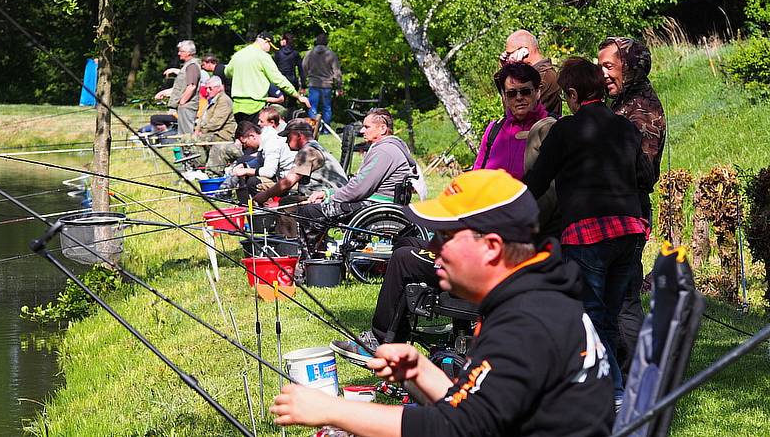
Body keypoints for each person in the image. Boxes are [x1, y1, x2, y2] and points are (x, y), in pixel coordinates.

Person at [271, 169, 615, 437]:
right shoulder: (536, 297)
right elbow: (482, 410)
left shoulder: (526, 321)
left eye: (445, 236)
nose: (432, 248)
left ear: (491, 247)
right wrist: (420, 371)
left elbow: (458, 428)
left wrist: (332, 410)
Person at [524, 57, 651, 410]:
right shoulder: (627, 128)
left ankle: (614, 396)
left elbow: (536, 182)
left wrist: (503, 208)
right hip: (628, 229)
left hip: (587, 233)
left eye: (567, 96)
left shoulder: (564, 130)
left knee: (590, 319)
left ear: (574, 93)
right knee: (609, 317)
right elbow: (646, 177)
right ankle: (616, 390)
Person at [598, 37, 667, 377]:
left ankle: (642, 379)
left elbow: (642, 170)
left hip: (628, 213)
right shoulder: (623, 103)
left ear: (631, 66)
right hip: (617, 211)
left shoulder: (640, 110)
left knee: (624, 298)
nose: (603, 74)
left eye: (609, 66)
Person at [296, 108, 417, 252]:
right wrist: (327, 193)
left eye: (367, 127)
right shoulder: (391, 148)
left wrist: (330, 197)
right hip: (379, 204)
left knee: (309, 212)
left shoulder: (384, 151)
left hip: (375, 207)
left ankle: (309, 260)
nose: (362, 131)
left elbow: (358, 189)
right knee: (314, 209)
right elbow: (358, 185)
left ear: (383, 128)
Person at [472, 62, 549, 180]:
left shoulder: (552, 128)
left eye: (525, 91)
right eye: (511, 94)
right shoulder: (494, 129)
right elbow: (477, 174)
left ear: (538, 92)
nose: (519, 98)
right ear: (504, 96)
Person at [224, 31, 311, 123]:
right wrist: (297, 96)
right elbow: (278, 79)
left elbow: (227, 73)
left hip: (238, 106)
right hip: (255, 105)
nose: (270, 50)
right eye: (270, 47)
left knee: (242, 136)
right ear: (266, 42)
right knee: (255, 136)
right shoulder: (263, 56)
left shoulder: (238, 55)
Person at [221, 121, 295, 203]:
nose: (245, 147)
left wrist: (246, 171)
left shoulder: (271, 143)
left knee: (253, 182)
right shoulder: (264, 140)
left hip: (290, 180)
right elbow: (260, 161)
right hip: (282, 177)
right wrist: (245, 165)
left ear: (252, 136)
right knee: (246, 172)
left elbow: (269, 172)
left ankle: (266, 211)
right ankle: (246, 206)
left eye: (245, 143)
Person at [188, 76, 241, 176]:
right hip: (211, 133)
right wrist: (196, 130)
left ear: (219, 88)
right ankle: (195, 166)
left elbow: (216, 123)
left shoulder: (224, 100)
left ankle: (201, 168)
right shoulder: (212, 100)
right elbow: (202, 119)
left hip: (223, 136)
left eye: (210, 88)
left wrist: (201, 131)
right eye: (206, 88)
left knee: (195, 140)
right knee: (187, 138)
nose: (207, 91)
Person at [499, 30, 562, 116]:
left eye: (509, 54)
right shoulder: (540, 73)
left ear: (524, 51)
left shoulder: (544, 77)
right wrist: (506, 71)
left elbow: (515, 114)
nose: (508, 58)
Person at [154, 40, 201, 135]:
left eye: (181, 51)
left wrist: (182, 102)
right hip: (185, 106)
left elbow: (192, 86)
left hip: (187, 106)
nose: (179, 53)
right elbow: (181, 87)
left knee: (186, 136)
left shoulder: (192, 66)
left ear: (189, 53)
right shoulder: (187, 66)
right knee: (182, 135)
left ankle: (189, 150)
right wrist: (165, 93)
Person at [303, 33, 342, 128]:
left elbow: (304, 68)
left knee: (312, 108)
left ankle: (312, 128)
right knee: (327, 108)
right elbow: (337, 72)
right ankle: (326, 129)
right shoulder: (332, 55)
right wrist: (339, 86)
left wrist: (304, 82)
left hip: (313, 84)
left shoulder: (309, 54)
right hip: (327, 85)